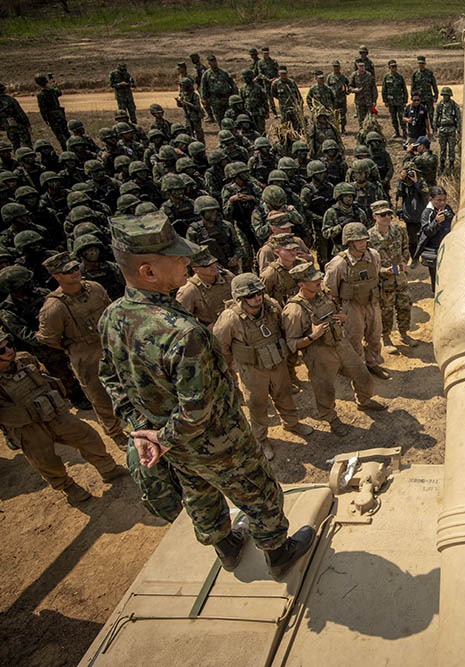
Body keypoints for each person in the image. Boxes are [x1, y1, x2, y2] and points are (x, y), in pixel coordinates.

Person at [98, 211, 315, 579]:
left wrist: (142, 432)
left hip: (172, 445)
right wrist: (160, 439)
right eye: (177, 257)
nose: (188, 262)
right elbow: (197, 410)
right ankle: (278, 553)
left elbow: (110, 377)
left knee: (198, 493)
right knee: (258, 493)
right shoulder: (184, 333)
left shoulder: (113, 316)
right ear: (148, 271)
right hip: (218, 442)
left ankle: (227, 547)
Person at [0, 329, 125, 504]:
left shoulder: (25, 359)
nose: (9, 351)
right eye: (2, 350)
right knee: (47, 462)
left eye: (9, 345)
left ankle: (108, 469)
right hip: (28, 428)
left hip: (54, 413)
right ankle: (68, 487)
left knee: (87, 436)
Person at [213, 273, 312, 459]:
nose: (257, 297)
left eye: (259, 292)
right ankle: (260, 438)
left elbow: (284, 331)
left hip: (277, 363)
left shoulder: (272, 306)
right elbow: (220, 347)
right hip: (253, 369)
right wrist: (229, 371)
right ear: (239, 298)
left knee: (284, 395)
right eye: (251, 295)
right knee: (257, 404)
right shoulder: (230, 318)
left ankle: (291, 423)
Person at [36, 252, 129, 450]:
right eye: (67, 272)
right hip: (85, 356)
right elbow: (48, 339)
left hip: (111, 344)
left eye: (74, 268)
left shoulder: (94, 288)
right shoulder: (54, 307)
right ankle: (115, 432)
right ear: (56, 277)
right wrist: (74, 346)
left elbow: (110, 310)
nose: (74, 273)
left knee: (130, 382)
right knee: (100, 396)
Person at [281, 263, 383, 437]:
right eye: (313, 280)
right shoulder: (294, 310)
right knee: (325, 390)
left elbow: (337, 313)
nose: (318, 281)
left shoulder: (324, 294)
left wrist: (342, 319)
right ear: (301, 285)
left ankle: (364, 401)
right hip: (319, 354)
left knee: (363, 376)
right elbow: (292, 343)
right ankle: (331, 418)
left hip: (341, 344)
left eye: (318, 278)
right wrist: (313, 336)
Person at [323, 222, 389, 379]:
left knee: (375, 335)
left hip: (372, 302)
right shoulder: (339, 263)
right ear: (349, 242)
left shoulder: (373, 255)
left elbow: (377, 275)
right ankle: (358, 368)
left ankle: (372, 363)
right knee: (354, 338)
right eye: (358, 241)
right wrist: (339, 310)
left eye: (364, 240)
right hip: (351, 305)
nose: (362, 243)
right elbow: (329, 288)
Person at [367, 200, 418, 349]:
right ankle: (387, 338)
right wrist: (383, 270)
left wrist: (403, 261)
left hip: (400, 278)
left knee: (404, 307)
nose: (387, 217)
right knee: (386, 311)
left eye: (389, 213)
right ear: (374, 216)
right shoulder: (369, 237)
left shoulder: (398, 230)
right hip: (383, 282)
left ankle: (404, 334)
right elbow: (369, 262)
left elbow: (405, 247)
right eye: (383, 215)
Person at [174, 247, 235, 327]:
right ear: (196, 269)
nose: (213, 267)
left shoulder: (228, 277)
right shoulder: (188, 290)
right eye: (207, 265)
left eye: (213, 262)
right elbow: (181, 320)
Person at [414, 185, 453, 292]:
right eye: (439, 200)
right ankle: (437, 295)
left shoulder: (447, 208)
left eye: (444, 200)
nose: (442, 203)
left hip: (448, 246)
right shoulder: (427, 213)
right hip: (433, 250)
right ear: (431, 199)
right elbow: (427, 231)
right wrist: (436, 222)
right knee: (436, 275)